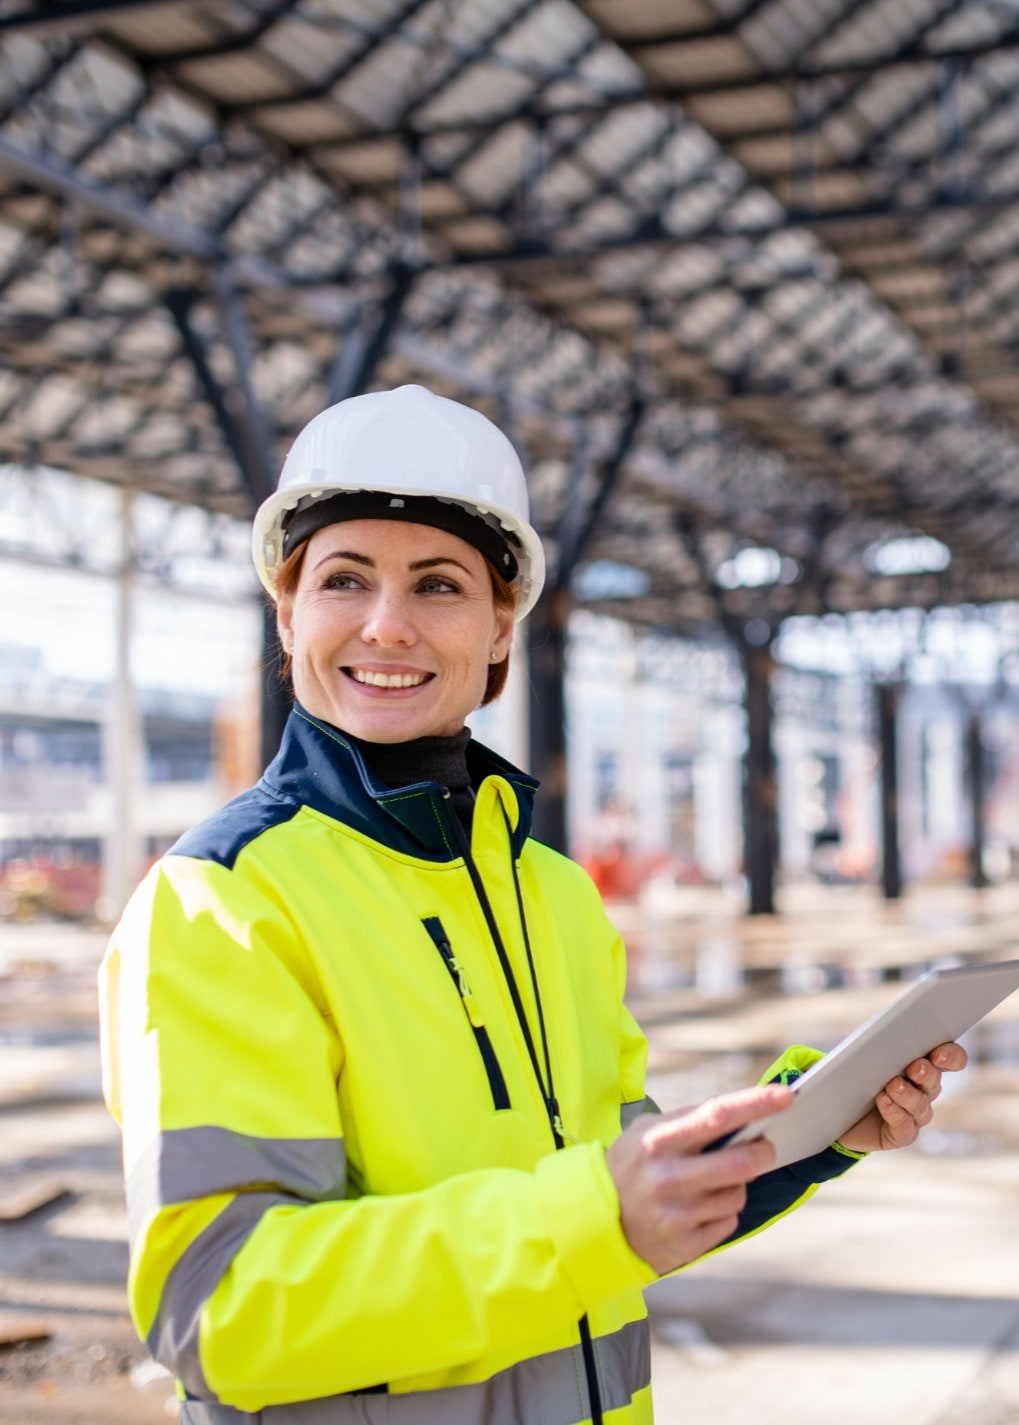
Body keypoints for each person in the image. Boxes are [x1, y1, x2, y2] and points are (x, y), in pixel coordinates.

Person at [98, 384, 965, 1425]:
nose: (387, 625)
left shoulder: (551, 895)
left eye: (437, 586)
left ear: (500, 625)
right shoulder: (221, 903)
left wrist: (809, 1130)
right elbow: (222, 1310)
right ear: (287, 614)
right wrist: (593, 1216)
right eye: (342, 580)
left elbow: (623, 1183)